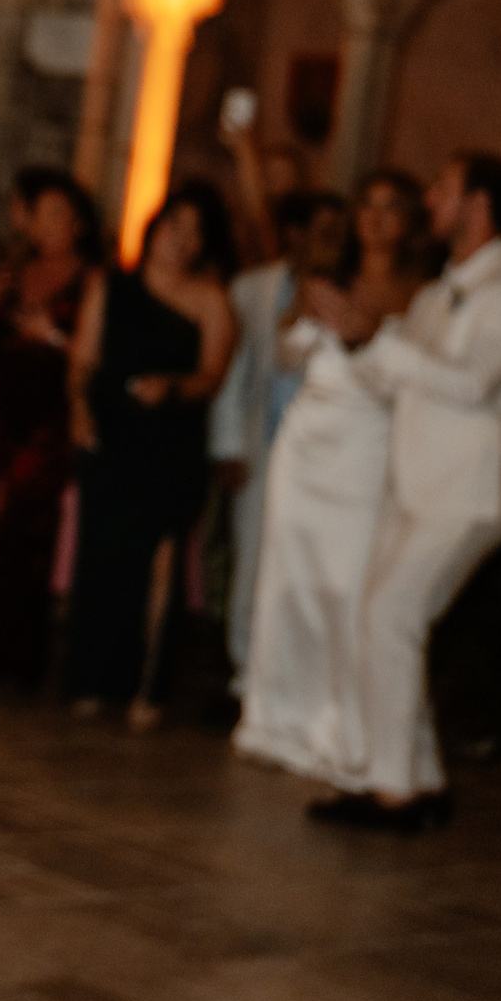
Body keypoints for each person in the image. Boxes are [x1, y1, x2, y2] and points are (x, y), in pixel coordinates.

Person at [307, 152, 501, 833]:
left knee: (392, 614)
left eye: (443, 188)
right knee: (382, 616)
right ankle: (416, 776)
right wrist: (354, 338)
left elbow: (471, 382)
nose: (430, 202)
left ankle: (397, 792)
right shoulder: (431, 293)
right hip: (415, 481)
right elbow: (393, 378)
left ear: (479, 204)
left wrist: (374, 338)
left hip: (472, 491)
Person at [235, 170, 427, 781]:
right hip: (308, 442)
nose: (375, 219)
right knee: (288, 583)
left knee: (347, 587)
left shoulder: (420, 293)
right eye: (366, 205)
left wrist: (364, 333)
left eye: (391, 208)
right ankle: (275, 720)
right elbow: (287, 353)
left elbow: (417, 379)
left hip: (368, 448)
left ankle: (336, 728)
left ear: (409, 221)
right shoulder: (326, 276)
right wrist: (303, 313)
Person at [63, 181, 237, 729]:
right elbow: (83, 360)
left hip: (169, 442)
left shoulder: (211, 300)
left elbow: (212, 374)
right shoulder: (110, 286)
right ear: (154, 228)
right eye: (173, 226)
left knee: (161, 562)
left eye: (194, 232)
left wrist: (173, 387)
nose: (180, 240)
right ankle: (93, 677)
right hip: (112, 435)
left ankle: (149, 685)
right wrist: (79, 409)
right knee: (102, 557)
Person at [0, 167, 100, 685]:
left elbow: (95, 355)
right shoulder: (14, 272)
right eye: (42, 215)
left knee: (29, 527)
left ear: (78, 223)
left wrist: (53, 337)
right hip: (1, 406)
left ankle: (15, 655)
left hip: (49, 414)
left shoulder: (92, 279)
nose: (48, 225)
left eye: (60, 215)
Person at [213, 190, 350, 685]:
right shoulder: (254, 289)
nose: (328, 242)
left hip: (322, 459)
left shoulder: (350, 297)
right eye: (321, 231)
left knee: (302, 566)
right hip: (263, 444)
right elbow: (236, 370)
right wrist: (227, 445)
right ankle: (244, 666)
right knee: (252, 558)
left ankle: (288, 674)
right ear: (297, 235)